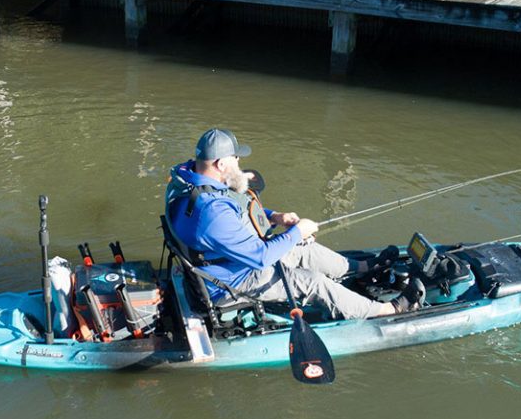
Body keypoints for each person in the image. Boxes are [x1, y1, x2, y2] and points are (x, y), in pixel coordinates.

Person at [165, 128, 421, 319]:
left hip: (225, 260)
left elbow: (235, 211)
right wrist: (297, 231)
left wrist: (275, 217)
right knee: (311, 281)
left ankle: (361, 268)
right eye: (236, 158)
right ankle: (386, 310)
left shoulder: (190, 179)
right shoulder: (211, 213)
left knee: (303, 249)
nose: (240, 163)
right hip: (230, 281)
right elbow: (260, 257)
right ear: (221, 164)